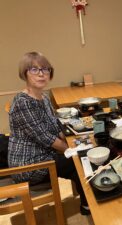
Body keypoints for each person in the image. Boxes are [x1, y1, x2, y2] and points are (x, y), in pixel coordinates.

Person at [8, 52, 90, 215]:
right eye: (34, 69)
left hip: (43, 154)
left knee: (81, 159)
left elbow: (55, 127)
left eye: (45, 69)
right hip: (28, 164)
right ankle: (88, 202)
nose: (41, 73)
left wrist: (76, 142)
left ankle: (87, 203)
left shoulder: (43, 98)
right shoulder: (22, 103)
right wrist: (72, 150)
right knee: (81, 160)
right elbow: (46, 139)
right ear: (25, 73)